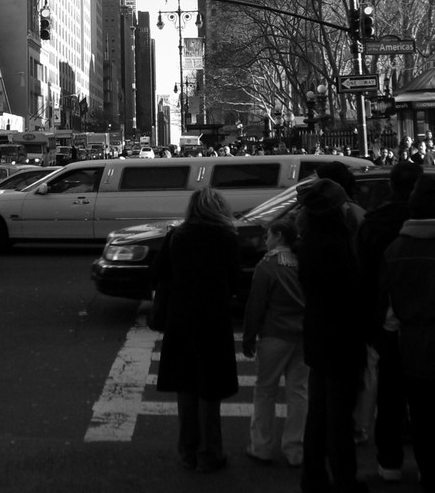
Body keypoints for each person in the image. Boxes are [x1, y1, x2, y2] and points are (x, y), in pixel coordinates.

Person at [153, 187, 239, 473]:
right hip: (213, 319)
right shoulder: (227, 237)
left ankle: (188, 451)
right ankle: (210, 454)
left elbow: (160, 273)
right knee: (210, 388)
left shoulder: (177, 236)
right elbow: (235, 278)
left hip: (181, 317)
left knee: (185, 385)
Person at [296, 177, 369, 493]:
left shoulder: (310, 241)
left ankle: (313, 476)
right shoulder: (338, 245)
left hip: (317, 335)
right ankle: (344, 479)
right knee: (339, 417)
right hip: (342, 338)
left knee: (319, 413)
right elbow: (352, 295)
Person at [357, 161, 421, 482]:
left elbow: (363, 277)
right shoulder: (422, 224)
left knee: (389, 394)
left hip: (384, 321)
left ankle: (389, 463)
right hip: (424, 323)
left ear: (393, 187)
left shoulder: (374, 223)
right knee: (425, 395)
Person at [381, 175, 435, 493]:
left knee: (422, 414)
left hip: (412, 345)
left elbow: (388, 307)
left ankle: (427, 471)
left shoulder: (395, 250)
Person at [243, 218, 308, 467]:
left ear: (279, 236)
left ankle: (261, 446)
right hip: (301, 335)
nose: (265, 240)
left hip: (274, 335)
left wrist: (249, 336)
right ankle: (295, 449)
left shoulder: (267, 266)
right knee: (299, 392)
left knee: (265, 391)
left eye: (268, 235)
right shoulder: (301, 263)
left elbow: (256, 305)